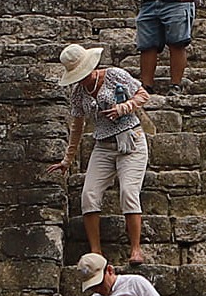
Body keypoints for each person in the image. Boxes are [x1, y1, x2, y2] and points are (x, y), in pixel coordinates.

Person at [46, 42, 152, 264]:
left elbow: (143, 95)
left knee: (129, 192)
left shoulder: (114, 75)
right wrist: (68, 159)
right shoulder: (78, 94)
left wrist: (123, 107)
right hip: (103, 145)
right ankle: (96, 251)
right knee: (89, 195)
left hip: (130, 141)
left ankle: (136, 249)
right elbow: (77, 127)